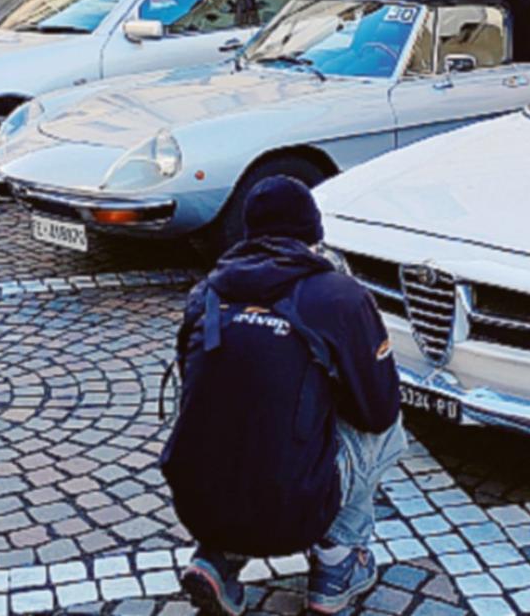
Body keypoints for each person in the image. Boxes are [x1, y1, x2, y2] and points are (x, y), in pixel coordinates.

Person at [162, 176, 405, 615]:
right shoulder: (340, 297)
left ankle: (218, 558)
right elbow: (379, 409)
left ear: (249, 234)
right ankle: (337, 563)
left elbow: (194, 393)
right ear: (314, 234)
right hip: (293, 508)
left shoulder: (207, 292)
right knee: (390, 431)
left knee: (232, 413)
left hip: (196, 501)